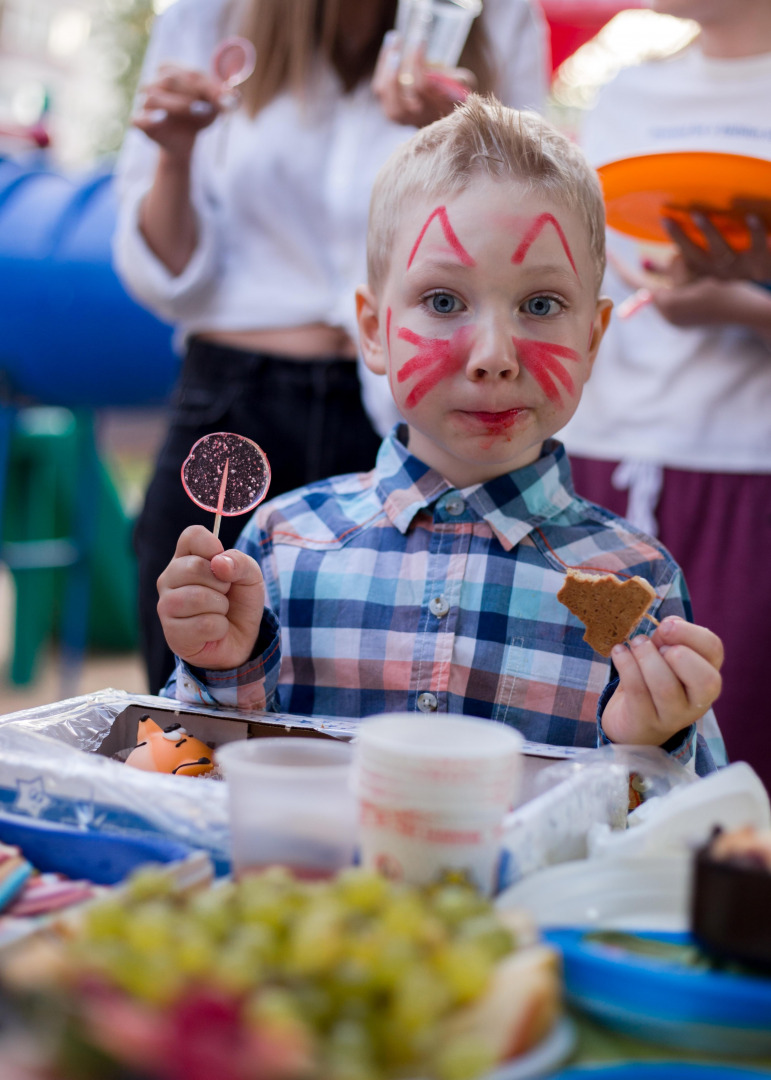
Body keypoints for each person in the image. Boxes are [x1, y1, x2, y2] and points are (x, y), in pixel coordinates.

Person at [156, 95, 726, 776]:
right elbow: (186, 776)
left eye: (540, 305)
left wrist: (647, 747)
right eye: (443, 301)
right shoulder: (282, 547)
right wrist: (217, 671)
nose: (493, 354)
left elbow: (683, 837)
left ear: (593, 336)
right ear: (372, 329)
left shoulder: (638, 582)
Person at [112, 0, 549, 696]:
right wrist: (175, 150)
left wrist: (458, 140)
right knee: (191, 722)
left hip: (404, 418)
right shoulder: (212, 13)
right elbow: (164, 276)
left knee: (376, 709)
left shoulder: (493, 14)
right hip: (231, 402)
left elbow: (533, 235)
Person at [560, 0, 771, 789]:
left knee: (731, 766)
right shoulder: (626, 95)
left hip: (746, 472)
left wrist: (743, 305)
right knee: (592, 752)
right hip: (599, 464)